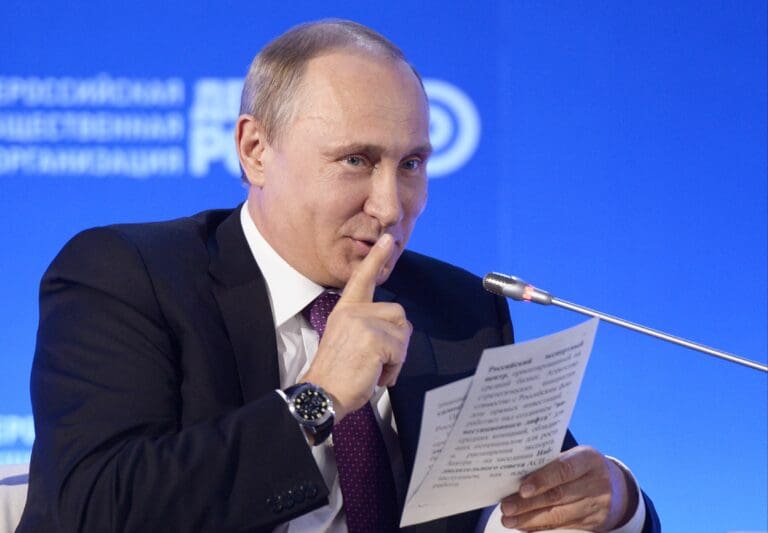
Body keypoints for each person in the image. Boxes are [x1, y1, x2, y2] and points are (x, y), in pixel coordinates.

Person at [18, 19, 660, 532]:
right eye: (356, 160)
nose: (390, 207)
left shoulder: (457, 309)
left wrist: (616, 499)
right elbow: (93, 509)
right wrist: (316, 400)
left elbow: (543, 491)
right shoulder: (128, 277)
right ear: (255, 150)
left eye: (411, 164)